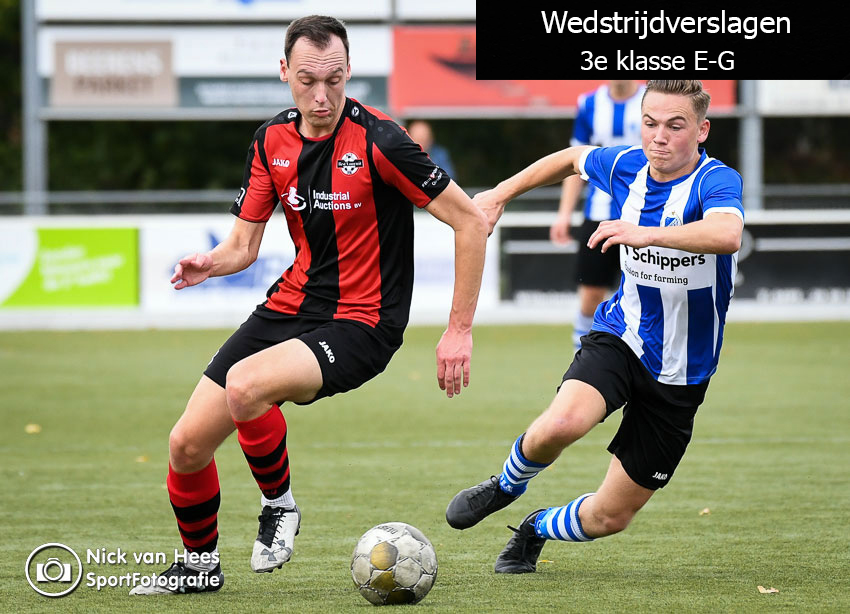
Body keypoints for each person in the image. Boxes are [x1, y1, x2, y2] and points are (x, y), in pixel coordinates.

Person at [131, 15, 488, 595]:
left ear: (349, 73)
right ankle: (199, 567)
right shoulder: (271, 140)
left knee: (245, 386)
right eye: (307, 80)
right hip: (290, 306)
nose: (322, 95)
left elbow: (470, 221)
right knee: (186, 445)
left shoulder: (382, 141)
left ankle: (280, 507)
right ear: (284, 72)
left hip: (363, 321)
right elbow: (243, 246)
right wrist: (211, 263)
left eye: (334, 79)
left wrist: (458, 329)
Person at [445, 80, 744, 574]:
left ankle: (535, 527)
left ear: (702, 130)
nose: (659, 137)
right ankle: (506, 485)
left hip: (682, 374)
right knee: (561, 424)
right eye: (650, 124)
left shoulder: (717, 181)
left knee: (610, 517)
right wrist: (499, 194)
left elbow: (728, 233)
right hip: (622, 336)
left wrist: (647, 233)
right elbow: (570, 158)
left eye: (675, 126)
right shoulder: (625, 165)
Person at [550, 81, 645, 351]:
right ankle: (581, 357)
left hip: (644, 216)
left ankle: (644, 361)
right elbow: (574, 162)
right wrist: (564, 214)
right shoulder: (589, 104)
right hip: (599, 215)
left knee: (645, 295)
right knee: (591, 295)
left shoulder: (651, 100)